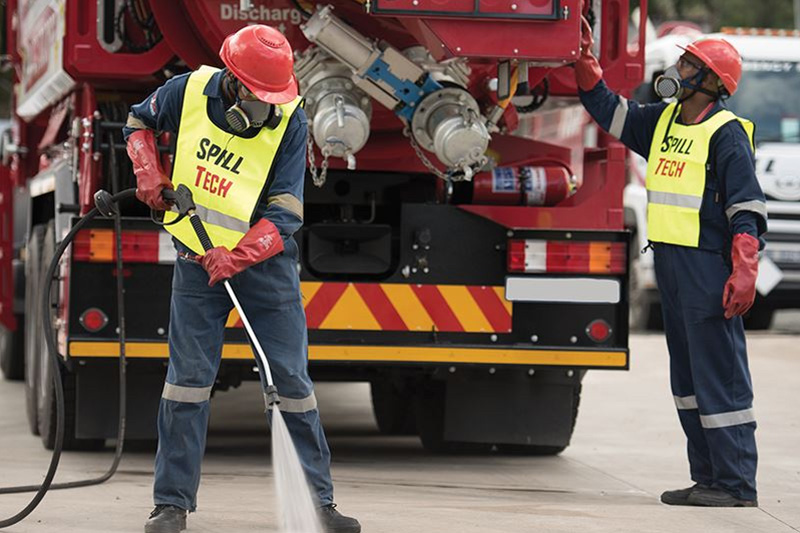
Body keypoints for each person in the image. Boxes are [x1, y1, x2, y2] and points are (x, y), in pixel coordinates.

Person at [123, 24, 361, 533]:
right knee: (187, 384)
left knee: (292, 384)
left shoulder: (290, 122)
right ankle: (171, 505)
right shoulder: (184, 91)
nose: (269, 107)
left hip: (265, 266)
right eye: (261, 96)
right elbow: (136, 123)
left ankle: (319, 502)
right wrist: (149, 174)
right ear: (233, 83)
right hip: (195, 258)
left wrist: (242, 254)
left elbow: (287, 210)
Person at [574, 17, 766, 507]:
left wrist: (744, 267)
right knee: (687, 381)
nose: (676, 68)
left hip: (708, 269)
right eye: (682, 61)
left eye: (687, 63)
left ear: (708, 81)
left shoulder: (726, 133)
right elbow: (610, 111)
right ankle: (707, 477)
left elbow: (746, 207)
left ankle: (735, 483)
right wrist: (585, 64)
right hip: (671, 268)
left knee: (719, 377)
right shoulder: (660, 120)